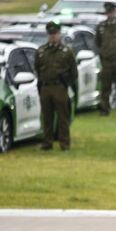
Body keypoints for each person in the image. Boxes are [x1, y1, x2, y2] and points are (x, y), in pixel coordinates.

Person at [35, 21, 78, 151]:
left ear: (59, 34)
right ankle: (47, 142)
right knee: (47, 116)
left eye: (55, 33)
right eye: (50, 34)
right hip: (45, 87)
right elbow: (37, 68)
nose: (53, 36)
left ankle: (64, 144)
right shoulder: (41, 50)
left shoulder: (66, 51)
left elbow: (73, 72)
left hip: (60, 87)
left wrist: (66, 84)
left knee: (63, 118)